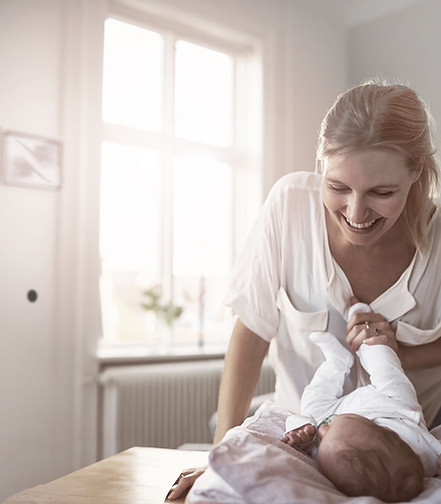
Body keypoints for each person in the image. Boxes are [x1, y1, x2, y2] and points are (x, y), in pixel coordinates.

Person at [167, 79, 441, 500]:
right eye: (337, 187)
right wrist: (220, 456)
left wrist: (403, 353)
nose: (355, 213)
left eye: (381, 193)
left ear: (418, 171)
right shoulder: (289, 204)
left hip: (404, 464)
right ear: (321, 164)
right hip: (296, 444)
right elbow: (252, 331)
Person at [281, 302, 441, 502]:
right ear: (386, 431)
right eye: (328, 431)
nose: (323, 430)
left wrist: (301, 433)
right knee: (386, 369)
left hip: (342, 412)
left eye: (322, 441)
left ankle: (336, 362)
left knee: (310, 407)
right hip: (393, 406)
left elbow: (305, 432)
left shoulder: (332, 455)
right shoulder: (424, 452)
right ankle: (366, 337)